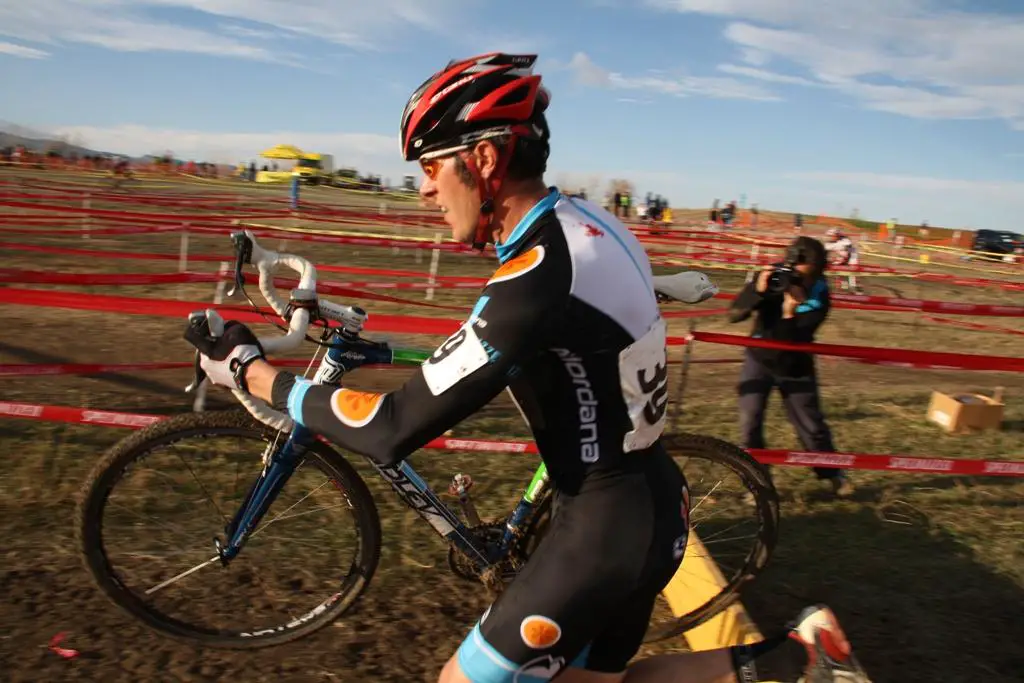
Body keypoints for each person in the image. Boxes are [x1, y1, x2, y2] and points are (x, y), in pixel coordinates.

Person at [184, 52, 868, 683]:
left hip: (602, 528)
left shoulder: (538, 274)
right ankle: (801, 657)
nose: (423, 190)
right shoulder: (588, 223)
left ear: (482, 159)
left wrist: (248, 370)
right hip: (654, 503)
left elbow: (390, 425)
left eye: (429, 166)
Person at [728, 236, 853, 499]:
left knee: (811, 425)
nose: (800, 282)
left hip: (795, 362)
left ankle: (832, 474)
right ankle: (758, 482)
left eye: (807, 278)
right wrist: (757, 292)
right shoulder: (774, 275)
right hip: (759, 358)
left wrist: (788, 313)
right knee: (749, 422)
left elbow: (794, 338)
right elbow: (734, 314)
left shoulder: (820, 295)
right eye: (798, 276)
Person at [824, 228, 862, 293]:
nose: (830, 237)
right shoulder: (828, 244)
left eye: (832, 236)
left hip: (852, 257)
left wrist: (845, 261)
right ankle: (844, 288)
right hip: (842, 256)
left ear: (837, 236)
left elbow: (851, 252)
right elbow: (825, 253)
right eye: (829, 236)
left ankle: (855, 289)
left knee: (851, 274)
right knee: (839, 272)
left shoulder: (845, 240)